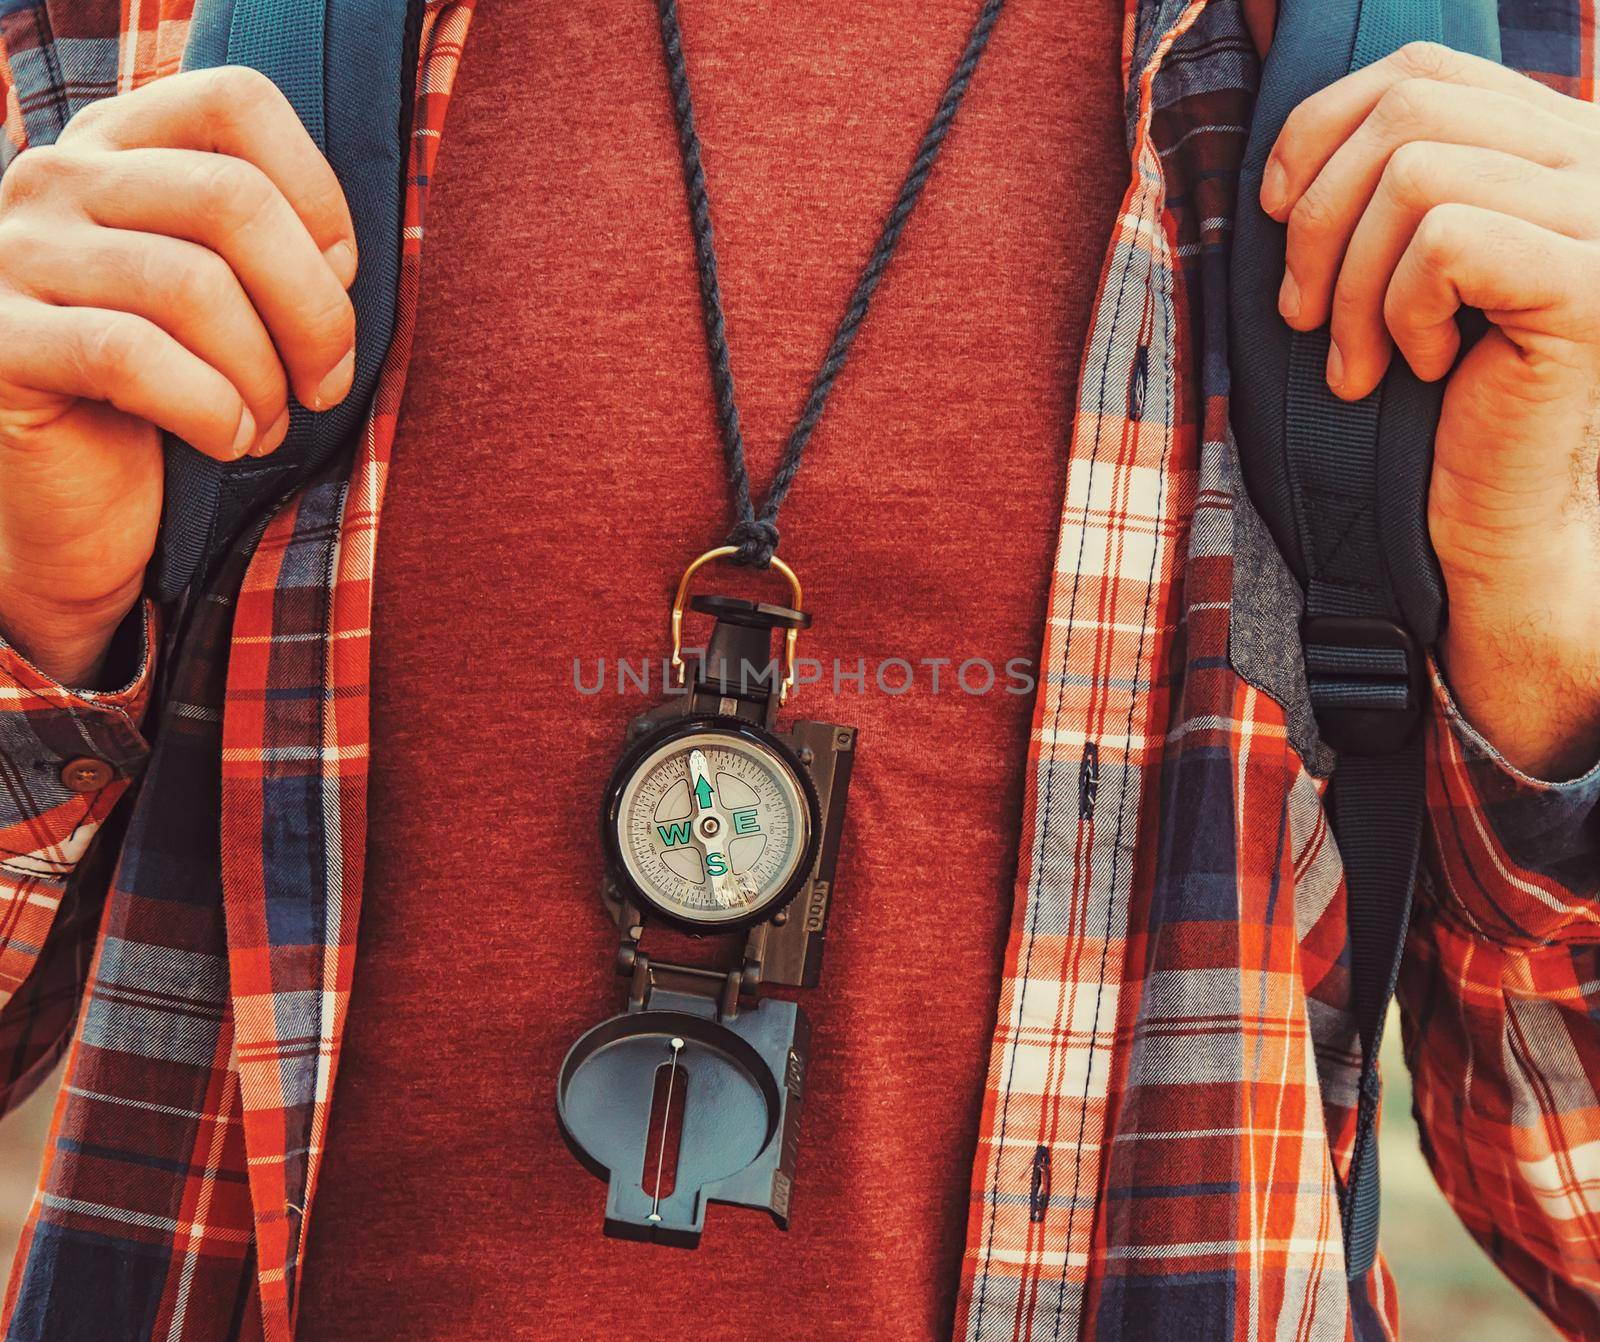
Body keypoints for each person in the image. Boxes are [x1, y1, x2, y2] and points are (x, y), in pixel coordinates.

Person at [0, 1, 1595, 1338]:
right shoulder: (141, 35)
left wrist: (1542, 643)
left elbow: (1569, 1211)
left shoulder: (1485, 56)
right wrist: (28, 615)